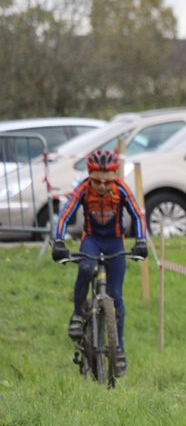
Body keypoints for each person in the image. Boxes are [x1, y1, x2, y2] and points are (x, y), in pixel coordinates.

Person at [51, 149, 148, 377]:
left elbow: (138, 215)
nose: (102, 186)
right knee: (85, 267)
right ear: (89, 174)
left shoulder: (122, 188)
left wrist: (141, 240)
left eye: (107, 180)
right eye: (97, 181)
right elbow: (65, 214)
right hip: (92, 240)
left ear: (115, 174)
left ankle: (119, 348)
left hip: (115, 241)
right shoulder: (83, 188)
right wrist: (58, 241)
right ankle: (77, 314)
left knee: (115, 294)